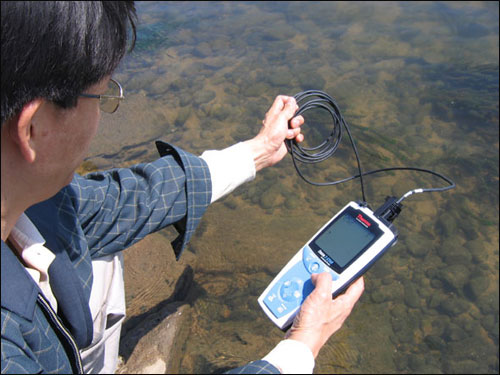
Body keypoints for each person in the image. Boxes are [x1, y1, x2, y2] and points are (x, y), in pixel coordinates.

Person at [0, 2, 364, 374]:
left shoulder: (32, 200)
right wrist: (301, 346)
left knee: (100, 251)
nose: (101, 116)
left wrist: (257, 152)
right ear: (34, 127)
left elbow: (120, 203)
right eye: (101, 96)